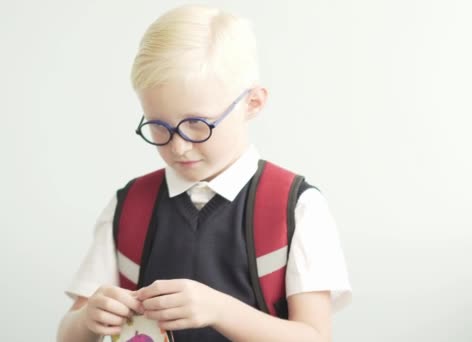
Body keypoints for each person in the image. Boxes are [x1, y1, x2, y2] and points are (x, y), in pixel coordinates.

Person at [56, 4, 351, 342]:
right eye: (158, 127)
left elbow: (315, 336)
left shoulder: (296, 207)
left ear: (253, 102)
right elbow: (67, 334)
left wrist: (220, 311)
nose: (179, 147)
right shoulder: (129, 207)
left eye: (197, 125)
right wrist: (87, 321)